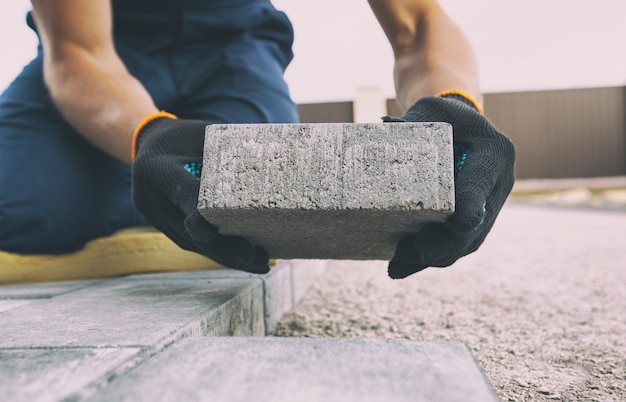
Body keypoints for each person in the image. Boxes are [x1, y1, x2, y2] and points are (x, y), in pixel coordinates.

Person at [0, 0, 515, 279]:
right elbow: (76, 50)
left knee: (260, 199)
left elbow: (418, 21)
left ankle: (126, 179)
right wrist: (147, 135)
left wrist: (455, 106)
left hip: (234, 53)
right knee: (21, 212)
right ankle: (136, 175)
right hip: (97, 56)